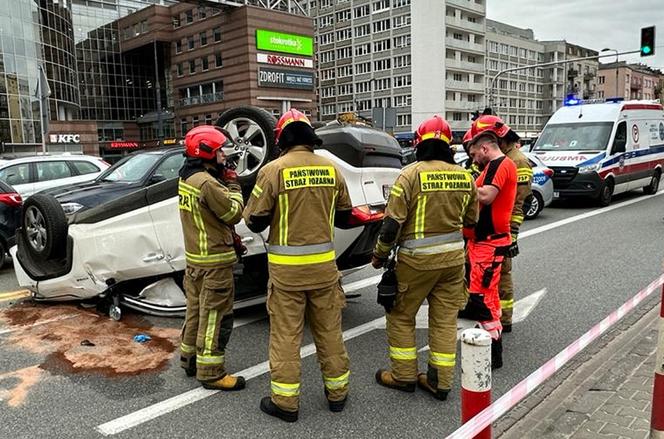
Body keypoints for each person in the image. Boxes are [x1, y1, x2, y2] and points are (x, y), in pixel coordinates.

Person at [243, 108, 353, 422]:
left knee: (286, 338)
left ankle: (286, 404)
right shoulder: (331, 169)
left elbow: (254, 221)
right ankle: (338, 394)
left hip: (286, 275)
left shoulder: (273, 170)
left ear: (281, 139)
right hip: (324, 271)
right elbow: (345, 218)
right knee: (330, 332)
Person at [371, 115, 479, 400]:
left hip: (415, 262)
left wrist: (380, 257)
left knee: (401, 316)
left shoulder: (410, 174)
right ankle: (440, 382)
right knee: (444, 320)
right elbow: (472, 220)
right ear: (449, 145)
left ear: (419, 144)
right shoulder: (465, 177)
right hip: (454, 261)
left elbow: (392, 224)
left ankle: (404, 376)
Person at [178, 125, 246, 391]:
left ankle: (189, 358)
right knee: (215, 317)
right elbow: (233, 213)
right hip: (215, 262)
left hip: (195, 260)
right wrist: (232, 183)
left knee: (195, 312)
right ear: (205, 153)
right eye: (219, 152)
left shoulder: (186, 178)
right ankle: (211, 372)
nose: (223, 157)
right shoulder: (207, 184)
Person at [459, 120, 517, 369]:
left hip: (489, 244)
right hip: (483, 242)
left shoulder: (499, 164)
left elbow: (486, 195)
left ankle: (492, 350)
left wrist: (461, 184)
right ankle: (493, 344)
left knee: (482, 298)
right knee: (489, 295)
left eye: (474, 154)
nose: (474, 160)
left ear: (484, 149)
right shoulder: (494, 166)